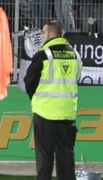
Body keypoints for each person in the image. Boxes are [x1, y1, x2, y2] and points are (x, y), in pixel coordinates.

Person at [25, 20, 81, 180]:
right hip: (67, 116)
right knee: (66, 161)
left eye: (43, 33)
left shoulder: (44, 55)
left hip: (45, 115)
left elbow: (29, 81)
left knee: (45, 163)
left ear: (52, 34)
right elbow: (76, 79)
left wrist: (36, 99)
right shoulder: (76, 56)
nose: (42, 36)